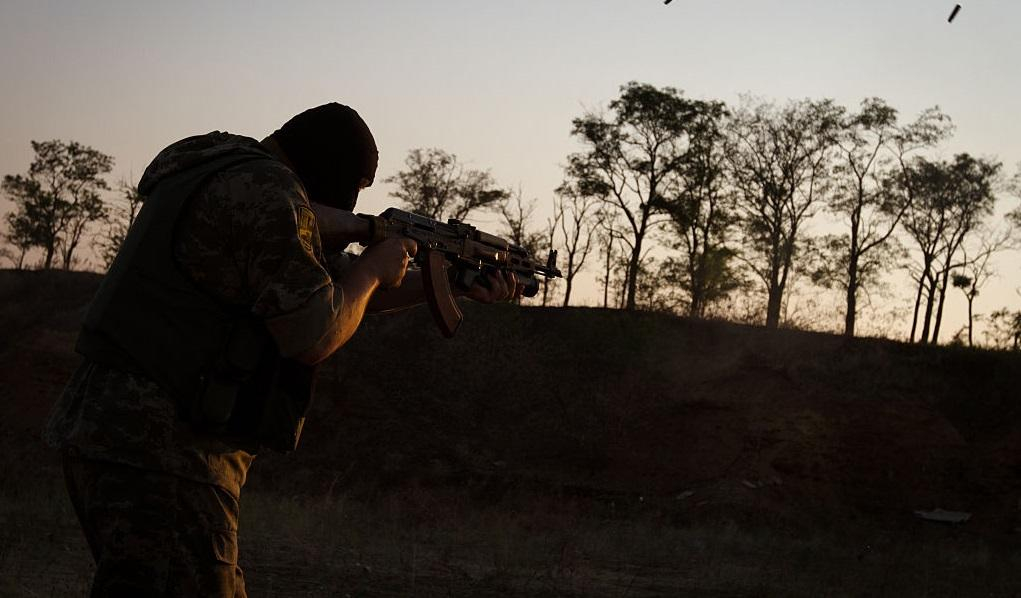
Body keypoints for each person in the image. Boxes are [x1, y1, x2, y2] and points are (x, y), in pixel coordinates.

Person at [43, 103, 521, 597]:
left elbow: (327, 287)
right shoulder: (272, 194)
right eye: (354, 191)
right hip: (169, 445)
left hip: (110, 426)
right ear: (331, 174)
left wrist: (447, 284)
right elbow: (314, 332)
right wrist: (374, 268)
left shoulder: (215, 165)